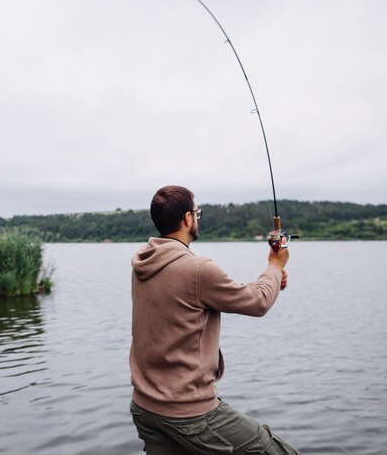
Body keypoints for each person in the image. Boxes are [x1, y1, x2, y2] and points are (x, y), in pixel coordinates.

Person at [129, 185, 301, 454]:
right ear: (187, 218)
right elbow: (257, 303)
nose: (196, 218)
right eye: (196, 212)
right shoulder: (197, 269)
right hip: (190, 413)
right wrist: (275, 266)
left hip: (145, 408)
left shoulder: (143, 261)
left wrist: (271, 279)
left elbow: (196, 294)